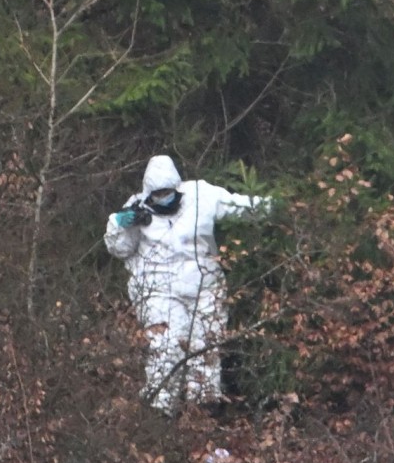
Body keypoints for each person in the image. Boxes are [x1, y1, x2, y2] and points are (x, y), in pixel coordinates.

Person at [104, 155, 271, 412]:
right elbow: (121, 250)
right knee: (164, 346)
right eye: (158, 193)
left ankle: (204, 408)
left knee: (205, 346)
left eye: (168, 191)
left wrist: (276, 206)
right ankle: (160, 409)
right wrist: (119, 225)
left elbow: (239, 206)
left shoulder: (200, 195)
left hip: (205, 286)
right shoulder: (136, 208)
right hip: (158, 290)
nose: (164, 197)